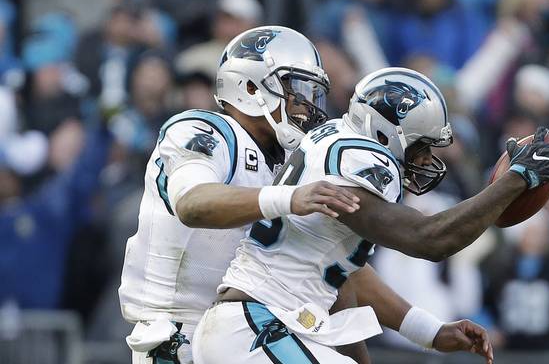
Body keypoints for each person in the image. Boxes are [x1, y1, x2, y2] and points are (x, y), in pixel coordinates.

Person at [120, 27, 494, 364]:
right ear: (251, 87)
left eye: (312, 93)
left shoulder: (294, 158)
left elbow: (337, 269)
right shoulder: (204, 130)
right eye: (297, 91)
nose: (308, 106)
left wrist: (425, 329)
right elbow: (194, 204)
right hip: (176, 338)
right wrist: (288, 198)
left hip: (253, 332)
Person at [192, 67, 549, 363]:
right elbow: (429, 238)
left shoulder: (335, 143)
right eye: (421, 148)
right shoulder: (360, 159)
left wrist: (428, 332)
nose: (424, 161)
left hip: (269, 327)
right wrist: (517, 180)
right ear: (387, 134)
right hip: (256, 327)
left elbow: (342, 279)